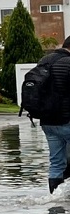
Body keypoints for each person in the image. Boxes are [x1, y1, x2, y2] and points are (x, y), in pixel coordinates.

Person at [37, 36, 70, 193]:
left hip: (48, 121)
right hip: (67, 119)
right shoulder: (68, 63)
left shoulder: (44, 60)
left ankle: (54, 198)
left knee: (56, 162)